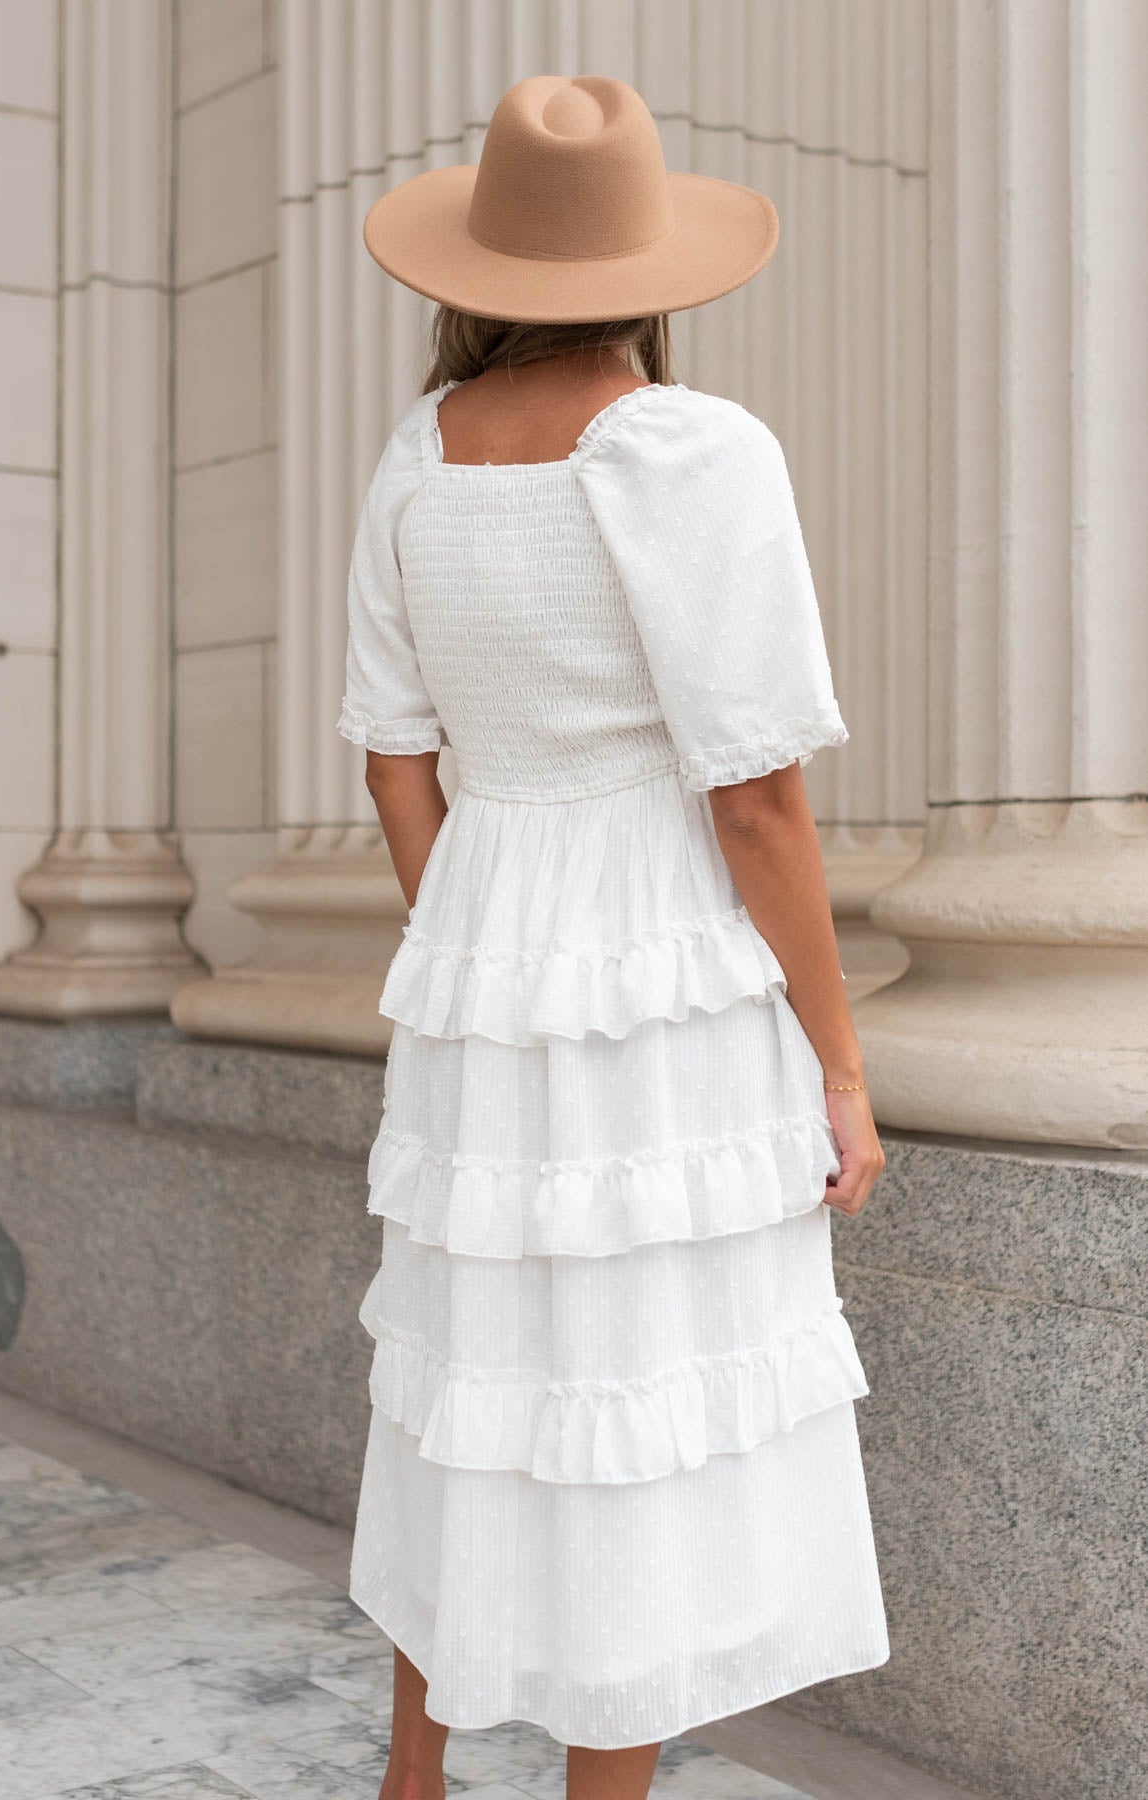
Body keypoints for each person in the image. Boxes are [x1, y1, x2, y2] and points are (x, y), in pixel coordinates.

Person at [337, 73, 890, 1800]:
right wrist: (842, 1065)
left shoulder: (416, 458)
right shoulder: (687, 451)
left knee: (469, 1374)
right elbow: (754, 803)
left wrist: (477, 947)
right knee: (635, 1400)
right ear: (648, 272)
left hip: (486, 958)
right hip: (660, 970)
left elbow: (393, 750)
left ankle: (414, 1782)